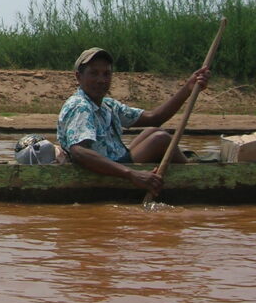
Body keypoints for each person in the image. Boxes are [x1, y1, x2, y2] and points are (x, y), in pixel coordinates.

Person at [56, 47, 210, 194]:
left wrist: (188, 89)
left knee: (153, 131)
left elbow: (154, 118)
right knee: (160, 139)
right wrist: (131, 174)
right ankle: (196, 175)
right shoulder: (80, 106)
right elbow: (79, 152)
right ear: (78, 77)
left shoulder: (107, 105)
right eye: (94, 73)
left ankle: (187, 165)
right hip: (106, 170)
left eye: (106, 74)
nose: (101, 80)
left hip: (119, 160)